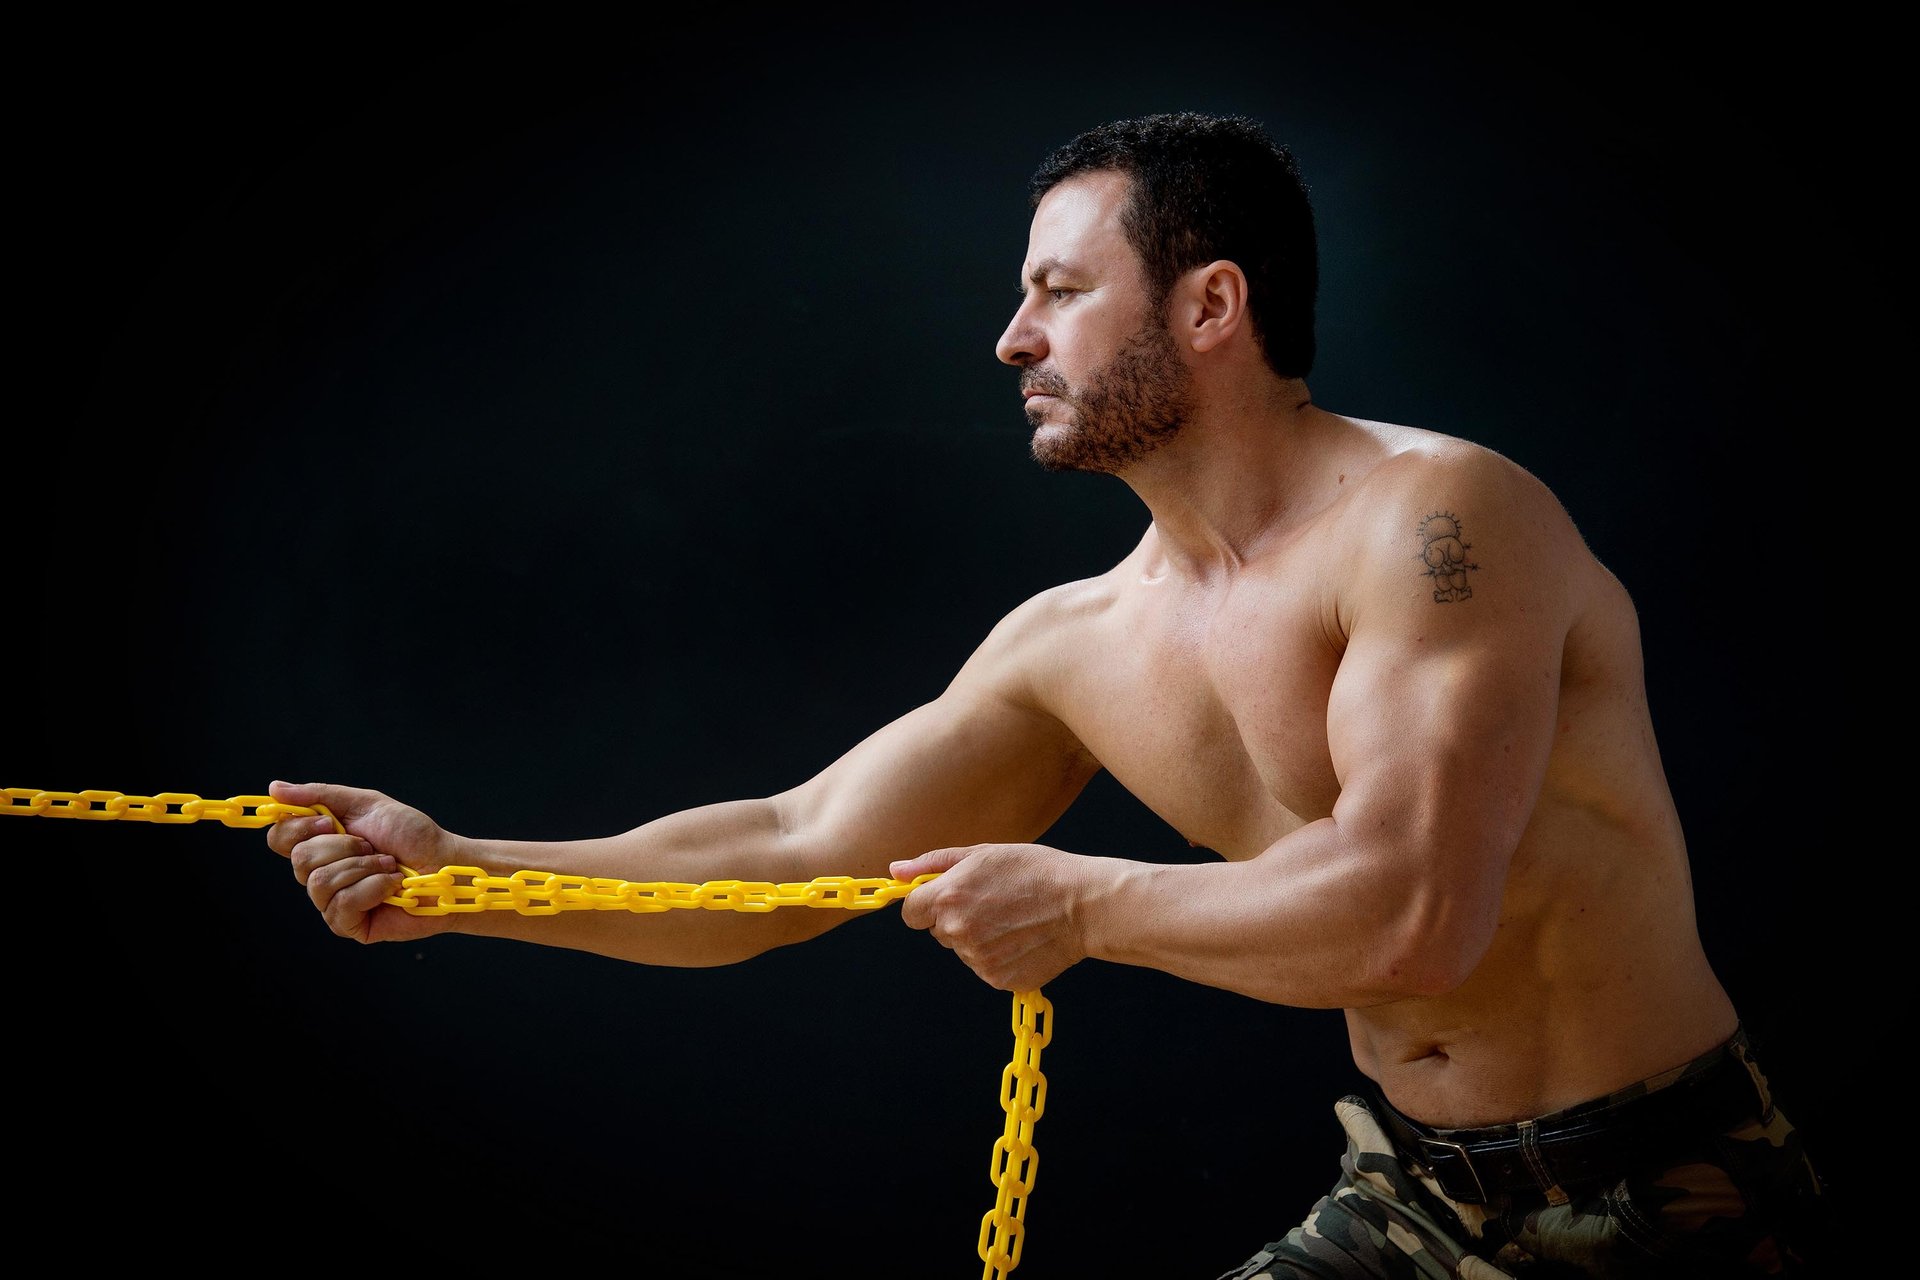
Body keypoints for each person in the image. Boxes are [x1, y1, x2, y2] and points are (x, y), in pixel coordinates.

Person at [265, 112, 1826, 1276]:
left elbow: (1416, 912)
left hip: (1679, 1194)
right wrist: (460, 874)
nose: (1013, 338)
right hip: (1417, 1195)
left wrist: (1080, 907)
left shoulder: (1440, 523)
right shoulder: (1077, 642)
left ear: (1210, 307)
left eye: (1060, 291)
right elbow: (789, 853)